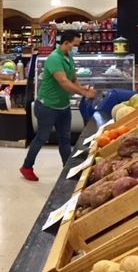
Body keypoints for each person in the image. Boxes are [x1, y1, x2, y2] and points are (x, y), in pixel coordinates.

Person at [20, 31, 96, 182]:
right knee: (42, 137)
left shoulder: (69, 57)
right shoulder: (54, 58)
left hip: (63, 106)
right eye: (75, 44)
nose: (76, 47)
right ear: (66, 43)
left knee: (65, 139)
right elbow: (63, 82)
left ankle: (68, 170)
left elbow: (73, 78)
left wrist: (83, 90)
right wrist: (84, 93)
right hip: (47, 106)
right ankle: (27, 167)